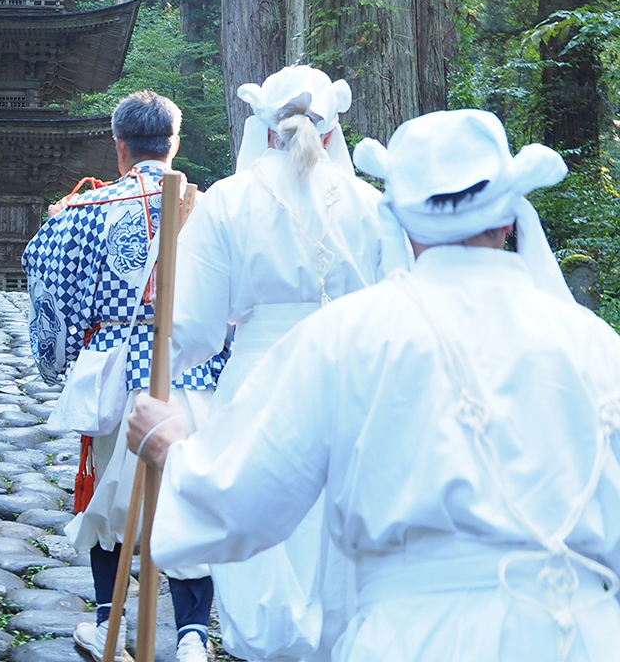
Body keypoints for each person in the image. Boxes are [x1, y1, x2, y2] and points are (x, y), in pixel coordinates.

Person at [130, 108, 620, 662]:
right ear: (508, 217)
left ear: (400, 220)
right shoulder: (599, 347)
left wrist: (171, 445)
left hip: (416, 639)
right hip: (580, 637)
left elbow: (244, 499)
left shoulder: (347, 338)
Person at [165, 65, 383, 662]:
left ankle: (263, 643)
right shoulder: (370, 205)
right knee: (334, 512)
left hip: (258, 371)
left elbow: (191, 327)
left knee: (257, 502)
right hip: (351, 372)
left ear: (261, 129)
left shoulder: (229, 202)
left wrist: (153, 376)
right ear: (334, 130)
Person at [23, 90, 228, 662]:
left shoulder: (81, 211)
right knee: (187, 492)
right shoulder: (209, 207)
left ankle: (103, 620)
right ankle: (192, 633)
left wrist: (61, 360)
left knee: (109, 497)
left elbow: (46, 287)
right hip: (194, 366)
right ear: (175, 143)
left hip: (113, 367)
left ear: (119, 146)